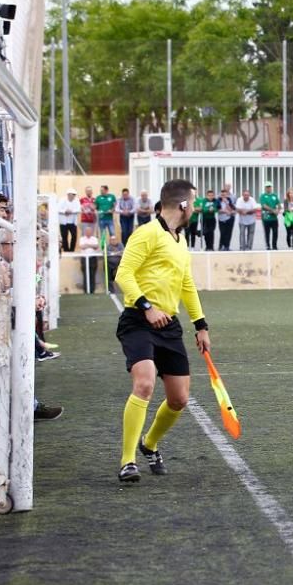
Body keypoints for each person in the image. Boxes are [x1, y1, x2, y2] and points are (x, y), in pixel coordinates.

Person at [114, 178, 210, 483]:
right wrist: (146, 306)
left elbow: (186, 285)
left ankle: (149, 444)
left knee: (179, 399)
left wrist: (200, 325)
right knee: (144, 384)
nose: (194, 208)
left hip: (169, 326)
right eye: (193, 203)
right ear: (183, 205)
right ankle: (128, 461)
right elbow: (123, 274)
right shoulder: (146, 233)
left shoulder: (180, 241)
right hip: (138, 320)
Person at [78, 224, 100, 293]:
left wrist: (87, 245)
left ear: (91, 232)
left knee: (92, 274)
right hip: (84, 258)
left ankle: (92, 290)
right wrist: (91, 245)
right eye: (87, 231)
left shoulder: (94, 239)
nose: (88, 232)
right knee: (85, 274)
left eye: (89, 231)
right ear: (85, 232)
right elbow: (82, 247)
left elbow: (96, 246)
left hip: (92, 258)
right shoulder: (82, 239)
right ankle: (86, 290)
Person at [259, 182, 281, 250]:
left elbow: (279, 205)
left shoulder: (274, 195)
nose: (268, 188)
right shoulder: (263, 196)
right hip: (266, 217)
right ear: (265, 188)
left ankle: (274, 245)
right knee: (267, 232)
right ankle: (268, 245)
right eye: (267, 187)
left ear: (271, 187)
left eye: (269, 187)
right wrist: (273, 210)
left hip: (274, 218)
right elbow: (264, 206)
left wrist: (277, 210)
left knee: (275, 232)